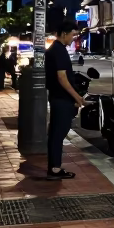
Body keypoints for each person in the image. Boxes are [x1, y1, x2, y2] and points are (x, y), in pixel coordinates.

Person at [46, 20, 87, 179]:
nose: (74, 38)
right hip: (61, 99)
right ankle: (54, 169)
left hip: (57, 97)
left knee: (56, 133)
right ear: (64, 34)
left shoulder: (55, 49)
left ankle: (54, 167)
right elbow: (62, 78)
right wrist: (77, 97)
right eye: (73, 35)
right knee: (58, 133)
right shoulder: (59, 50)